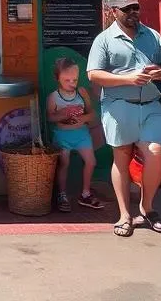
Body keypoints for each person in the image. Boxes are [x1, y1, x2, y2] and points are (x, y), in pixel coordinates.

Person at [87, 0, 161, 238]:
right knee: (122, 158)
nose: (133, 13)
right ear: (114, 12)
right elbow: (94, 74)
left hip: (150, 105)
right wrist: (128, 79)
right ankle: (125, 215)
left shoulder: (152, 36)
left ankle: (147, 207)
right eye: (127, 9)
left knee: (156, 152)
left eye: (136, 7)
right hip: (118, 106)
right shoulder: (104, 39)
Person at [46, 56, 103, 212]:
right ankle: (62, 194)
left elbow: (92, 115)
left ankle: (85, 193)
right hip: (63, 136)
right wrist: (64, 114)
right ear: (57, 78)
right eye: (67, 80)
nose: (72, 84)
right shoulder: (54, 97)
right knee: (64, 163)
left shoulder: (81, 94)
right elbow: (50, 117)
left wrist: (82, 118)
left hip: (81, 134)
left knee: (91, 162)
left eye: (75, 80)